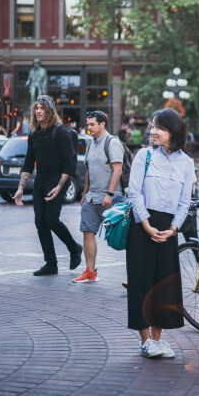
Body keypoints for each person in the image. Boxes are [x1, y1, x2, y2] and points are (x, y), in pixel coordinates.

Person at [126, 108, 194, 359]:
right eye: (152, 126)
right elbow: (134, 193)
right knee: (141, 283)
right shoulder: (143, 155)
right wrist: (146, 225)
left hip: (169, 229)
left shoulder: (186, 163)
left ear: (173, 132)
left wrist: (173, 229)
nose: (153, 131)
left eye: (159, 127)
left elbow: (184, 202)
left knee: (164, 285)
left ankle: (157, 340)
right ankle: (145, 342)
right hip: (142, 225)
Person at [13, 95, 83, 276]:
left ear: (50, 111)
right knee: (40, 222)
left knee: (51, 220)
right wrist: (21, 188)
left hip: (57, 181)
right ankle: (51, 264)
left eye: (42, 108)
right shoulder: (34, 134)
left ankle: (74, 248)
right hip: (40, 182)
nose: (38, 111)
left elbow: (69, 163)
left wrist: (60, 187)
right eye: (36, 108)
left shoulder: (60, 132)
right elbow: (29, 162)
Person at [73, 111, 123, 283]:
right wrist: (84, 192)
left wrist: (109, 194)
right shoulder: (90, 144)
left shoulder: (112, 142)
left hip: (112, 199)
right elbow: (89, 169)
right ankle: (90, 271)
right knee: (87, 231)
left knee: (124, 237)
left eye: (92, 124)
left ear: (102, 124)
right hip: (92, 198)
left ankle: (136, 274)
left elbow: (118, 170)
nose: (89, 128)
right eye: (88, 124)